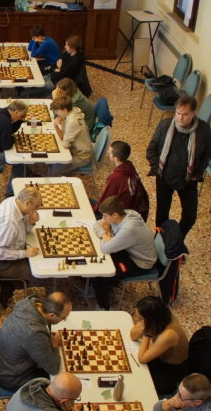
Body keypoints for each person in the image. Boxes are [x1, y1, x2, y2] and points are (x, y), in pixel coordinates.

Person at [146, 95, 211, 238]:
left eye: (185, 114)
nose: (180, 118)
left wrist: (197, 174)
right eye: (178, 113)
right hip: (165, 177)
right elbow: (151, 149)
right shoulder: (165, 125)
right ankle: (159, 240)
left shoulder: (204, 129)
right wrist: (158, 168)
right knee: (161, 214)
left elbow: (206, 154)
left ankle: (175, 241)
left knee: (190, 217)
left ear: (194, 113)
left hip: (188, 179)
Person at [0, 292, 71, 391]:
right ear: (52, 315)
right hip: (11, 378)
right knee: (60, 386)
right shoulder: (34, 333)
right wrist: (54, 345)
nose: (64, 320)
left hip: (0, 365)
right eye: (64, 318)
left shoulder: (29, 304)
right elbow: (53, 368)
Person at [90, 196, 157, 310]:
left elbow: (105, 248)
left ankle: (103, 306)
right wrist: (106, 234)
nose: (103, 218)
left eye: (105, 215)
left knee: (101, 273)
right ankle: (108, 284)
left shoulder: (129, 229)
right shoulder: (125, 213)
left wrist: (106, 233)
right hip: (129, 251)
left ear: (115, 215)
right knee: (100, 261)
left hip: (140, 263)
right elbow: (96, 224)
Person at [0, 186, 44, 293]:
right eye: (36, 207)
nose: (36, 210)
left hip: (9, 248)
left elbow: (21, 229)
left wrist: (30, 222)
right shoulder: (9, 222)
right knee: (39, 275)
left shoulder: (13, 201)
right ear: (27, 203)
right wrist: (25, 253)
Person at [130, 295, 190, 396]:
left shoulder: (169, 334)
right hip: (160, 357)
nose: (136, 320)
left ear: (151, 319)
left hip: (171, 369)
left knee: (142, 384)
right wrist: (144, 325)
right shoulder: (157, 318)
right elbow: (133, 336)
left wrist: (147, 333)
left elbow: (142, 358)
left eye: (140, 318)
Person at [31, 95, 92, 176]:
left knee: (52, 172)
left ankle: (51, 178)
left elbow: (65, 145)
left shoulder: (72, 122)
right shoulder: (71, 111)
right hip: (74, 150)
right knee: (50, 158)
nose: (56, 113)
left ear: (65, 110)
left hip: (81, 157)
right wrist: (56, 126)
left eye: (57, 111)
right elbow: (62, 137)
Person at [93, 140, 148, 219]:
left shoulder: (116, 177)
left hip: (117, 216)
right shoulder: (130, 168)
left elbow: (103, 204)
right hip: (130, 210)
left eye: (110, 152)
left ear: (116, 158)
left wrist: (92, 209)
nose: (108, 153)